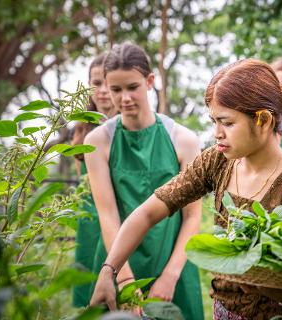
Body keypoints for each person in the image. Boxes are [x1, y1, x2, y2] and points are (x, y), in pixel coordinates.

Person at [90, 58, 282, 320]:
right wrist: (109, 269)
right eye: (214, 122)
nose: (217, 133)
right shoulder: (218, 161)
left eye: (228, 123)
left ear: (264, 121)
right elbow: (148, 213)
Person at [84, 42, 204, 319]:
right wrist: (124, 280)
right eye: (116, 90)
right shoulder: (98, 142)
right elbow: (108, 216)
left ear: (149, 82)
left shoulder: (183, 140)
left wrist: (171, 275)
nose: (124, 97)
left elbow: (193, 217)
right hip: (118, 263)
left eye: (132, 87)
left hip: (174, 261)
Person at [72, 53, 118, 307]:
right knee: (88, 287)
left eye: (106, 82)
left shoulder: (129, 126)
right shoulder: (83, 128)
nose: (101, 90)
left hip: (117, 215)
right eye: (95, 82)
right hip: (89, 219)